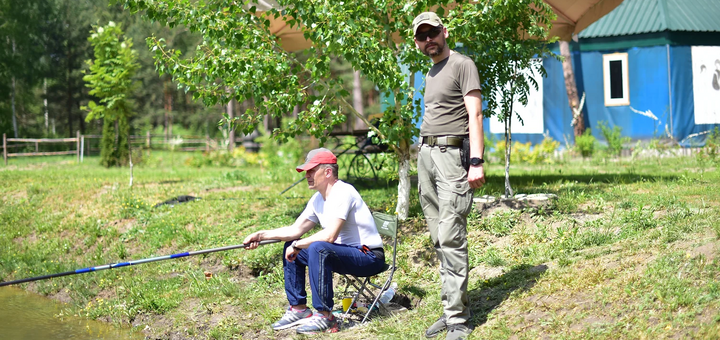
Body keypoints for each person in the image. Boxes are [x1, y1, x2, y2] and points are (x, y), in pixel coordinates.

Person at [243, 148, 385, 334]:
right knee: (293, 244)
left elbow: (329, 236)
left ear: (327, 172)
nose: (307, 175)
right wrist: (260, 235)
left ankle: (325, 316)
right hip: (344, 254)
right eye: (306, 171)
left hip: (368, 257)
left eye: (312, 170)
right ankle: (299, 309)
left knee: (317, 247)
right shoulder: (318, 199)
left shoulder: (343, 192)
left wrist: (298, 244)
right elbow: (295, 230)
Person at [412, 11, 486, 340]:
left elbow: (476, 114)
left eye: (433, 33)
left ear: (444, 31)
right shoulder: (430, 72)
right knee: (438, 238)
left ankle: (458, 321)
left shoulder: (462, 64)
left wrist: (477, 161)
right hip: (426, 156)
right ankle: (451, 307)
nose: (428, 40)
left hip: (451, 157)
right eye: (421, 36)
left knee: (452, 235)